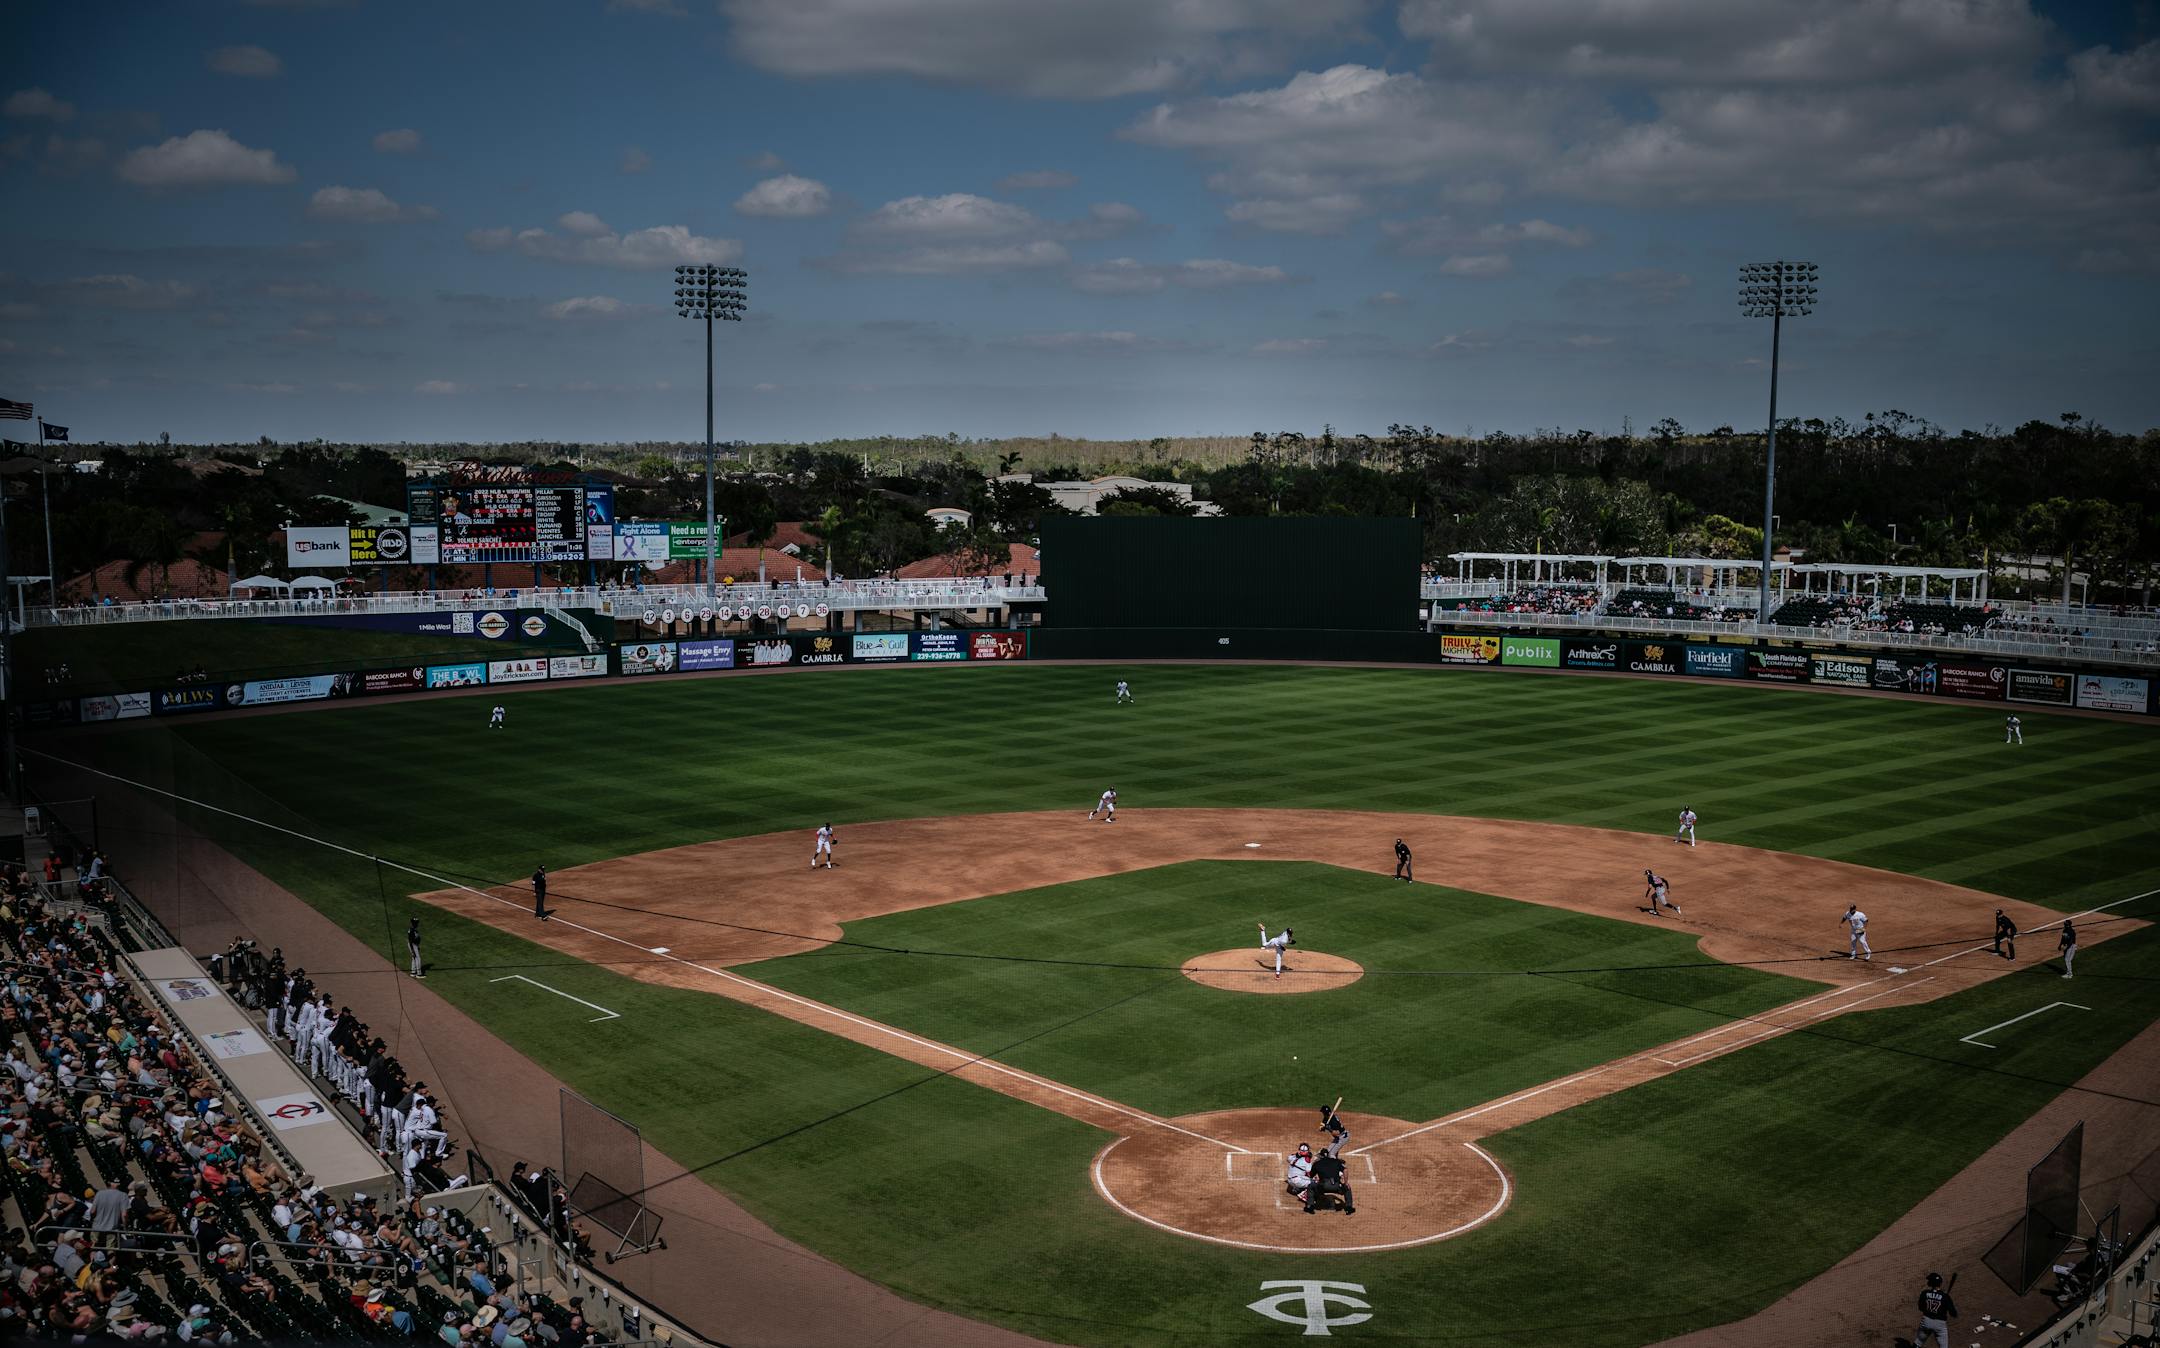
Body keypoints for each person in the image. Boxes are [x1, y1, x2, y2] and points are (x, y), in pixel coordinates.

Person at [1912, 1271, 1957, 1348]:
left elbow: (1921, 1308)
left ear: (1931, 1283)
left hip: (1926, 1321)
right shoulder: (1945, 1296)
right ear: (1940, 1283)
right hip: (1940, 1325)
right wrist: (1945, 1304)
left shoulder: (1924, 1293)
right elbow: (1953, 1313)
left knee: (1918, 1342)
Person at [1308, 1149, 1354, 1215]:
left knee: (1311, 1186)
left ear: (1320, 1156)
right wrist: (1346, 1183)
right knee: (1347, 1188)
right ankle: (1349, 1208)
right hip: (1336, 1186)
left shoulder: (1317, 1163)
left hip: (1323, 1186)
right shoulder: (1336, 1161)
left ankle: (1310, 1207)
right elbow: (1345, 1170)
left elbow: (1310, 1175)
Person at [1285, 1143, 1315, 1209]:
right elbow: (1309, 1173)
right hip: (1297, 1181)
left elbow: (1288, 1158)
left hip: (1289, 1181)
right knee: (1314, 1182)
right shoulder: (1307, 1161)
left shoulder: (1292, 1157)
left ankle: (1296, 1189)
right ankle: (1303, 1195)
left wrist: (1296, 1155)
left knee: (1300, 1174)